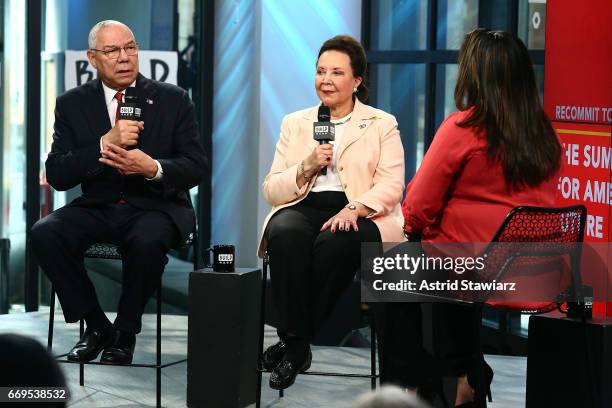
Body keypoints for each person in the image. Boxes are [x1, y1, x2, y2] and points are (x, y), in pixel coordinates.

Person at [393, 29, 562, 407]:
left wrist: (411, 227)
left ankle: (435, 380)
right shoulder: (543, 133)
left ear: (475, 75)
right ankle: (465, 369)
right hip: (534, 269)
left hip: (469, 267)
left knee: (390, 269)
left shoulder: (462, 128)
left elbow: (418, 202)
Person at [30, 20, 207, 365]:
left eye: (131, 47)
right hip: (99, 205)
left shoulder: (173, 100)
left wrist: (152, 168)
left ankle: (125, 332)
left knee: (147, 238)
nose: (125, 57)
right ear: (93, 59)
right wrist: (102, 144)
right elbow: (58, 173)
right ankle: (96, 326)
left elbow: (196, 166)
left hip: (157, 207)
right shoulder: (72, 104)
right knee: (45, 232)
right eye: (112, 50)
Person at [258, 35, 405, 390]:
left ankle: (294, 343)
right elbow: (272, 189)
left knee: (336, 241)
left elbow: (392, 186)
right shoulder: (296, 122)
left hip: (363, 212)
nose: (326, 79)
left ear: (357, 81)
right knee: (285, 233)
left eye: (337, 72)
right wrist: (306, 167)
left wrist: (354, 209)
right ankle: (298, 344)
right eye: (321, 71)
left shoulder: (381, 123)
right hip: (304, 205)